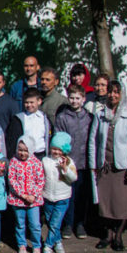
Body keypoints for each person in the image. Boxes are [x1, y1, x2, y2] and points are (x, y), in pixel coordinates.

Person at [88, 80, 127, 252]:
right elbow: (93, 141)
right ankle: (107, 235)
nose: (112, 95)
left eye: (116, 92)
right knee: (105, 203)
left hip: (122, 168)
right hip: (104, 166)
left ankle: (118, 236)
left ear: (122, 95)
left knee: (121, 204)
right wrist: (93, 165)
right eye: (110, 92)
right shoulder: (100, 115)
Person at [54, 84, 94, 239]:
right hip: (69, 162)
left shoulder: (89, 117)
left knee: (82, 195)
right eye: (72, 98)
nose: (74, 101)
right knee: (68, 195)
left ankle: (80, 224)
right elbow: (58, 137)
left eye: (78, 98)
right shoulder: (63, 117)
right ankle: (68, 224)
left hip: (84, 162)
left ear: (83, 99)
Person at [41, 132, 78, 253]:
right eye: (53, 148)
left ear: (64, 150)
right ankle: (58, 241)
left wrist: (65, 169)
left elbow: (73, 178)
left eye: (59, 149)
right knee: (52, 223)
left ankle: (48, 246)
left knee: (56, 223)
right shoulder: (45, 160)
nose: (55, 151)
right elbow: (42, 177)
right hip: (47, 196)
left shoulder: (68, 161)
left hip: (62, 197)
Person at [8, 136, 46, 253]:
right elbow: (12, 179)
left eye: (25, 150)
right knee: (20, 224)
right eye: (20, 150)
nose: (22, 153)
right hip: (18, 199)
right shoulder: (14, 161)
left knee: (35, 224)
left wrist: (33, 195)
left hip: (33, 201)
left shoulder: (36, 163)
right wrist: (22, 195)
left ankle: (36, 246)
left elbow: (40, 181)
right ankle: (21, 245)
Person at [6, 88, 51, 159]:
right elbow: (13, 140)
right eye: (26, 102)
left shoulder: (44, 118)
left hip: (41, 154)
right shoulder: (19, 119)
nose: (29, 105)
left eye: (31, 102)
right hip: (25, 156)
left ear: (39, 101)